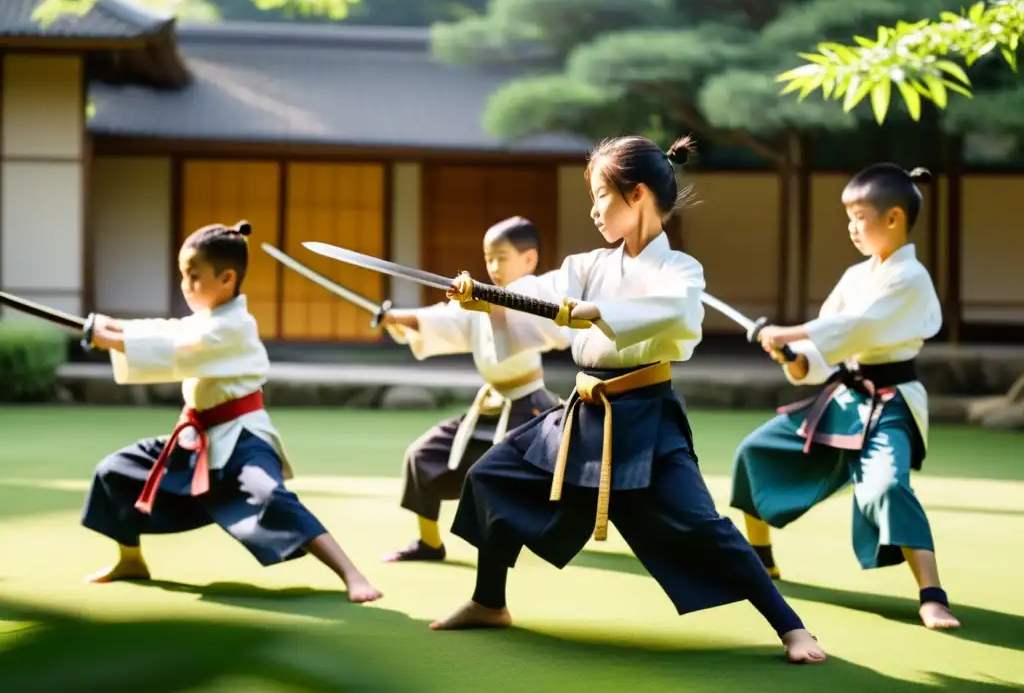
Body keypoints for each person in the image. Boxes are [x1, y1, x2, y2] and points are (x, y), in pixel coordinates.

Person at [429, 136, 826, 664]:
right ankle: (489, 600)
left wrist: (596, 313)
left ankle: (792, 627)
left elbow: (677, 313)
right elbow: (539, 294)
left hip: (644, 417)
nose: (593, 210)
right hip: (580, 414)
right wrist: (485, 296)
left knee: (702, 524)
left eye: (601, 196)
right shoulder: (589, 264)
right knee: (491, 477)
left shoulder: (680, 270)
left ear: (637, 194)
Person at [80, 220, 382, 603]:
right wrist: (115, 327)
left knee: (272, 496)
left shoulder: (234, 326)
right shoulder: (207, 320)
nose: (185, 285)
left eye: (194, 276)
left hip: (241, 435)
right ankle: (131, 559)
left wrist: (110, 339)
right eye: (182, 276)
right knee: (115, 472)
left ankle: (352, 575)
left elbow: (180, 350)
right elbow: (169, 331)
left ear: (226, 279)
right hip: (196, 436)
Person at [732, 163, 960, 631]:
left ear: (893, 218)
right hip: (844, 396)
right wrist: (795, 358)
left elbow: (856, 329)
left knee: (887, 487)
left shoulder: (910, 277)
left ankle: (932, 595)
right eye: (849, 217)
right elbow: (827, 348)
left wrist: (786, 330)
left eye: (860, 216)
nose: (852, 227)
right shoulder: (856, 276)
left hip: (890, 400)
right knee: (755, 451)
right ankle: (761, 559)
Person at [379, 216, 564, 563]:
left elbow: (522, 326)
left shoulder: (536, 298)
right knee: (423, 456)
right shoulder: (480, 300)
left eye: (502, 257)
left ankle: (519, 543)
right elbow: (447, 319)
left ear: (529, 259)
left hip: (530, 407)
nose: (493, 266)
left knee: (512, 478)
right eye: (488, 257)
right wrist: (400, 318)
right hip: (491, 404)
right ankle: (429, 544)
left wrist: (483, 299)